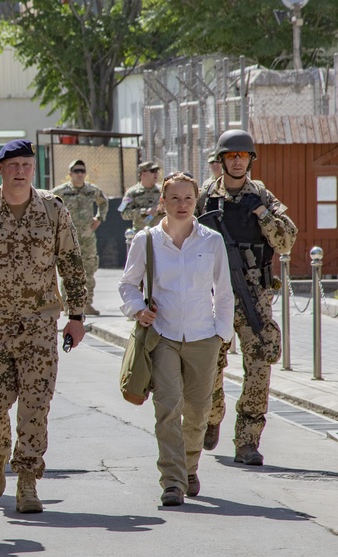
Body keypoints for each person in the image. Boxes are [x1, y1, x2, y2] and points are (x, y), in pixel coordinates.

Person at [0, 139, 87, 514]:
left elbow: (71, 264)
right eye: (13, 165)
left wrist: (76, 317)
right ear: (0, 170)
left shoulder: (52, 209)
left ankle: (27, 481)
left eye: (26, 164)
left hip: (38, 328)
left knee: (35, 405)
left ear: (33, 169)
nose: (20, 171)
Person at [119, 172, 234, 506]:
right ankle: (172, 480)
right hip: (163, 337)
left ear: (195, 201)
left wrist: (220, 334)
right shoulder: (147, 240)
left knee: (198, 411)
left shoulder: (211, 240)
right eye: (174, 199)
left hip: (203, 337)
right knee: (168, 407)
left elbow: (224, 291)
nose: (181, 205)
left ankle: (189, 466)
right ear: (162, 202)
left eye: (188, 199)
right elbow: (128, 284)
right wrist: (138, 309)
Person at [200, 129, 298, 465]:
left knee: (258, 368)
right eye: (231, 156)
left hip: (255, 293)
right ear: (222, 160)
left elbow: (285, 242)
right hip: (215, 293)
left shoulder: (263, 197)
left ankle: (247, 441)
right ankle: (212, 416)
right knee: (210, 365)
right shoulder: (205, 198)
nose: (238, 161)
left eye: (243, 156)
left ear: (250, 160)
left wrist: (263, 215)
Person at [52, 159, 108, 315]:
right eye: (76, 171)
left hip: (87, 238)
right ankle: (68, 305)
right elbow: (47, 205)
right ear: (70, 174)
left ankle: (87, 304)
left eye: (82, 171)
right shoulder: (60, 191)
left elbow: (104, 202)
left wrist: (99, 218)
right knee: (68, 271)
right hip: (67, 237)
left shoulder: (92, 190)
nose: (79, 174)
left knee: (88, 271)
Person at [120, 161, 163, 231]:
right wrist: (144, 212)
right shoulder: (131, 193)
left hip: (160, 233)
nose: (156, 174)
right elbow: (123, 212)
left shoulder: (163, 191)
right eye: (152, 171)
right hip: (140, 233)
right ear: (143, 174)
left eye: (157, 171)